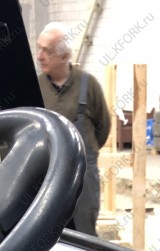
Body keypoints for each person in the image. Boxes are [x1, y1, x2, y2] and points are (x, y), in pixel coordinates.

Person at [37, 22, 111, 236]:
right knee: (48, 231)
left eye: (47, 51)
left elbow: (103, 127)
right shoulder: (35, 87)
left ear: (64, 56)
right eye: (39, 48)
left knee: (85, 230)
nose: (40, 56)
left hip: (84, 175)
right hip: (47, 172)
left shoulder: (88, 85)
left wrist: (86, 153)